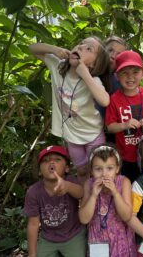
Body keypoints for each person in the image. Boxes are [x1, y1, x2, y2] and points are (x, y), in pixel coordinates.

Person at [29, 37, 110, 184]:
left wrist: (84, 73)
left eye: (89, 49)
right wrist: (55, 50)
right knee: (81, 170)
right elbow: (33, 48)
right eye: (81, 44)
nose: (81, 47)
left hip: (93, 135)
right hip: (72, 135)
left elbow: (105, 100)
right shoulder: (58, 67)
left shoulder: (93, 80)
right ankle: (83, 198)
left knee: (97, 171)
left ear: (93, 64)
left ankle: (98, 202)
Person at [105, 51, 143, 182]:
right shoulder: (114, 99)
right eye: (124, 73)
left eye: (135, 72)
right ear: (117, 76)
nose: (130, 77)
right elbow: (110, 127)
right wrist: (124, 125)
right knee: (129, 184)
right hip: (126, 156)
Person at [23, 145, 85, 257]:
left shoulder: (70, 181)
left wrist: (68, 186)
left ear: (66, 168)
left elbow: (81, 193)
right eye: (45, 161)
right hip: (48, 237)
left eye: (57, 159)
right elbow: (33, 224)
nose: (51, 163)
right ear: (40, 171)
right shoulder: (33, 192)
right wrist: (32, 254)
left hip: (73, 234)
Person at [79, 144, 137, 257]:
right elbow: (84, 219)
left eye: (109, 168)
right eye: (98, 169)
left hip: (121, 240)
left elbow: (127, 216)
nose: (104, 174)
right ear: (91, 171)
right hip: (97, 240)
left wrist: (115, 193)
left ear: (117, 168)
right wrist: (94, 195)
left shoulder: (124, 182)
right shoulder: (89, 184)